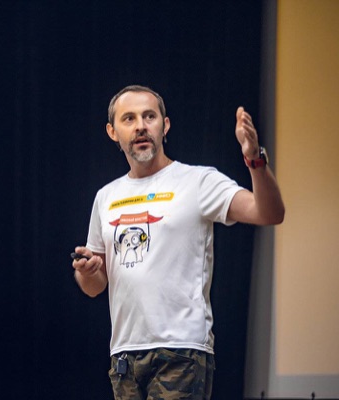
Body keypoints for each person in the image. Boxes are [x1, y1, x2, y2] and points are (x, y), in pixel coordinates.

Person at [71, 85, 284, 400]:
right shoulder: (106, 196)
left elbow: (269, 213)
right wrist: (87, 271)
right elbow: (94, 286)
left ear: (165, 125)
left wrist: (255, 160)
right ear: (112, 132)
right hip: (125, 355)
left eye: (149, 117)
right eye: (129, 119)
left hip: (181, 350)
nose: (141, 126)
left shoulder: (197, 181)